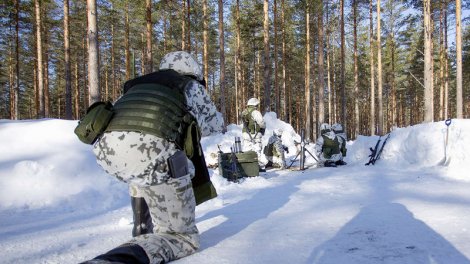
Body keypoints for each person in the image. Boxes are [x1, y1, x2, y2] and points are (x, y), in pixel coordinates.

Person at [82, 51, 224, 264]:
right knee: (181, 237)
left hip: (106, 151)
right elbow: (216, 125)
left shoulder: (137, 85)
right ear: (193, 71)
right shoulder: (190, 86)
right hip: (154, 155)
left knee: (144, 164)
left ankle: (142, 227)